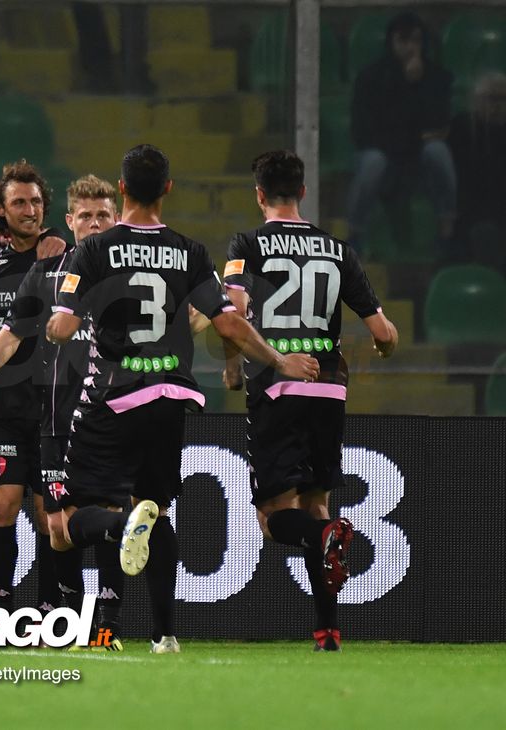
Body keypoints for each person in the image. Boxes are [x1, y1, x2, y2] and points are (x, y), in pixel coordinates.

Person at [46, 144, 319, 654]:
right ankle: (165, 634)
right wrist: (279, 360)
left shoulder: (94, 249)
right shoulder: (190, 252)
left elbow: (61, 328)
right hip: (171, 397)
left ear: (121, 189)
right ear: (167, 189)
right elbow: (229, 323)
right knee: (158, 508)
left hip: (113, 397)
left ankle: (120, 526)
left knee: (75, 516)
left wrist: (65, 317)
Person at [224, 150, 398, 652]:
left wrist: (235, 365)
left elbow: (233, 311)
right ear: (302, 192)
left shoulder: (247, 244)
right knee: (317, 504)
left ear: (259, 194)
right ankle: (327, 631)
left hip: (278, 384)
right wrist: (386, 346)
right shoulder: (338, 249)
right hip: (328, 387)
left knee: (275, 517)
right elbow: (382, 331)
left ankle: (325, 540)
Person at [0, 174, 117, 626]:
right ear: (70, 221)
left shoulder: (131, 274)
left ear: (117, 219)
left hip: (112, 416)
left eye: (102, 216)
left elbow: (190, 311)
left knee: (102, 512)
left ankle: (107, 619)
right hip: (56, 418)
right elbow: (11, 333)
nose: (93, 224)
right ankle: (54, 611)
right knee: (55, 522)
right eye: (85, 216)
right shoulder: (48, 271)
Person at [347, 11, 456, 254]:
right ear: (391, 41)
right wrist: (412, 135)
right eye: (403, 40)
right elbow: (363, 131)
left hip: (419, 160)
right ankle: (355, 233)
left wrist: (417, 85)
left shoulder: (436, 78)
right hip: (384, 157)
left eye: (415, 40)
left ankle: (447, 230)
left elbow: (439, 126)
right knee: (373, 161)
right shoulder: (371, 78)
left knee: (438, 151)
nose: (410, 47)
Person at [448, 72, 506, 269]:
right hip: (470, 208)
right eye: (491, 98)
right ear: (476, 100)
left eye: (502, 99)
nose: (497, 105)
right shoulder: (462, 127)